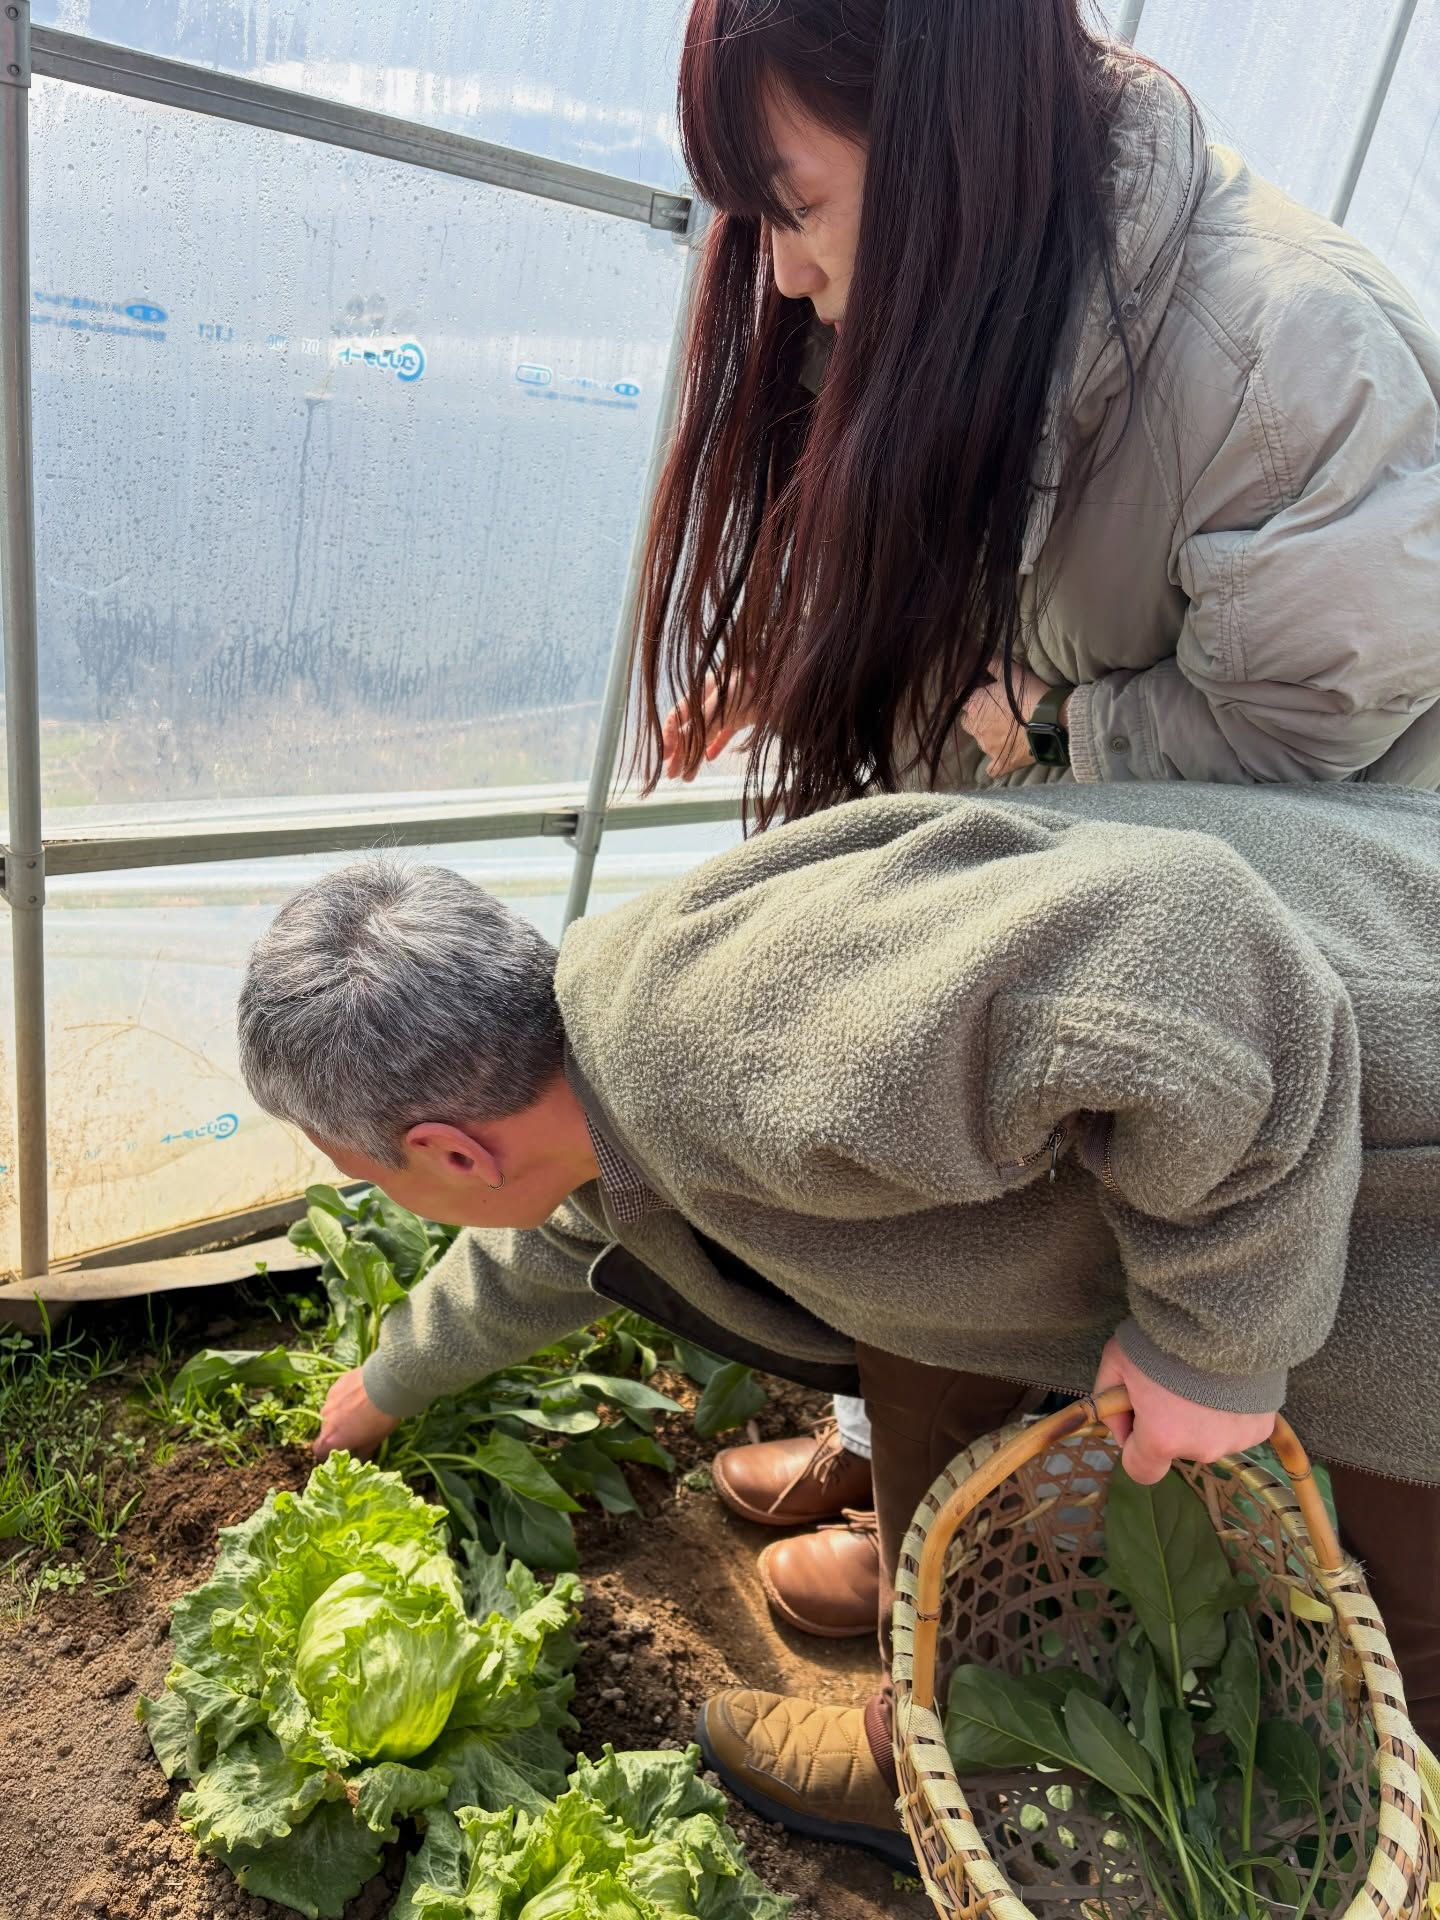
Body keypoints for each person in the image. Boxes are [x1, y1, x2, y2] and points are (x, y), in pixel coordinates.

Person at [634, 0, 1440, 1643]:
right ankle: (906, 1487)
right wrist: (809, 681)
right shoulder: (979, 274)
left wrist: (1033, 728)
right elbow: (962, 602)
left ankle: (974, 1640)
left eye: (793, 205)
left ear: (942, 140)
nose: (776, 274)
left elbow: (1282, 756)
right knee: (909, 1112)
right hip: (1079, 847)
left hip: (1261, 930)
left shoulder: (1295, 350)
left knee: (994, 1171)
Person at [237, 781, 1440, 1866]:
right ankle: (958, 1745)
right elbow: (558, 1233)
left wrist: (1216, 1336)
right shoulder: (583, 1061)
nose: (379, 1197)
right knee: (934, 1371)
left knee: (1410, 1638)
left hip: (1396, 1151)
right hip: (1269, 1117)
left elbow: (1188, 938)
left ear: (449, 1149)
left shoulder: (738, 1048)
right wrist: (394, 1379)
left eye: (370, 1177)